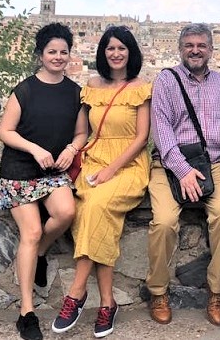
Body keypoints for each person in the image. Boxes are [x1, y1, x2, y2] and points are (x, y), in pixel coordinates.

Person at [51, 25, 151, 339]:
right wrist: (71, 152)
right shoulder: (92, 86)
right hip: (94, 159)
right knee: (92, 213)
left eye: (121, 48)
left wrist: (111, 170)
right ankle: (107, 302)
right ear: (103, 52)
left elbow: (141, 138)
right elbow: (82, 132)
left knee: (95, 205)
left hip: (129, 164)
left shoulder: (141, 88)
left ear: (131, 52)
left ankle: (76, 292)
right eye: (110, 48)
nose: (116, 53)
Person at [0, 23, 88, 340]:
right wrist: (34, 149)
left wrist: (71, 149)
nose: (58, 57)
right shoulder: (25, 90)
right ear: (41, 55)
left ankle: (38, 255)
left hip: (52, 171)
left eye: (63, 52)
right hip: (20, 168)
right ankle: (27, 312)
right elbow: (5, 131)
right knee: (32, 231)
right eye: (52, 51)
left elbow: (81, 132)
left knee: (66, 212)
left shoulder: (75, 92)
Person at [146, 23, 220, 326]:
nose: (195, 51)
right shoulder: (166, 81)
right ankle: (158, 292)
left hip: (214, 164)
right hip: (169, 165)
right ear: (180, 49)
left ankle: (217, 291)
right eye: (189, 45)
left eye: (201, 45)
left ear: (211, 50)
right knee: (163, 222)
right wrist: (183, 170)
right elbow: (161, 130)